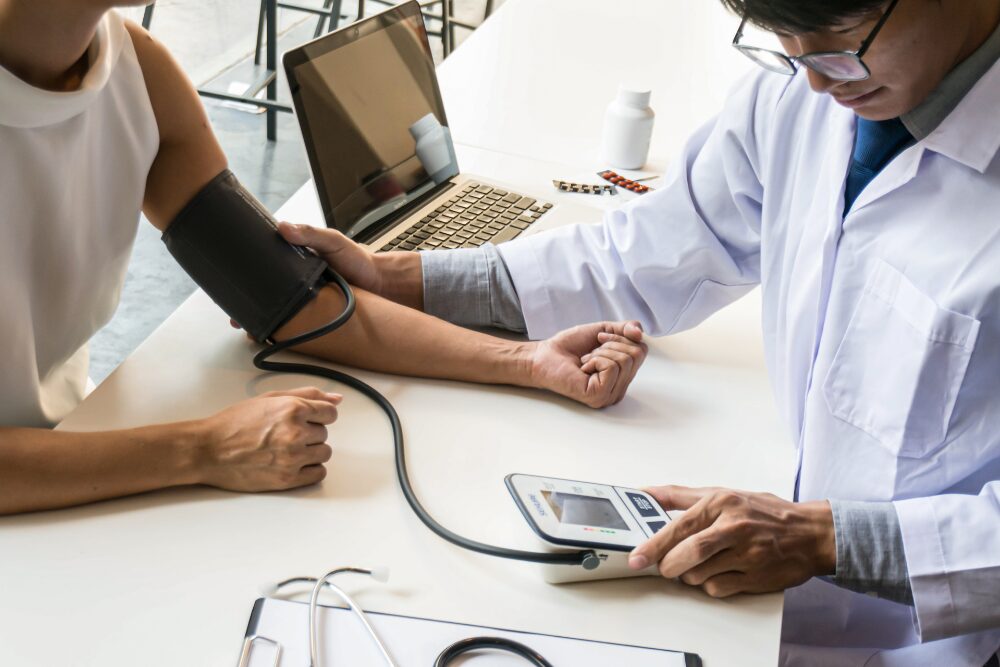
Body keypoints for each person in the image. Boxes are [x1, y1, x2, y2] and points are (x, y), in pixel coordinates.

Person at [289, 0, 1000, 664]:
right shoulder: (801, 94)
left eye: (842, 44)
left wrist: (830, 540)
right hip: (769, 611)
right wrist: (395, 278)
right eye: (784, 47)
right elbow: (642, 255)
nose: (815, 85)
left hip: (929, 641)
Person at [0, 0, 647, 516]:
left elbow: (295, 301)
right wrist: (201, 449)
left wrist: (529, 361)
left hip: (67, 449)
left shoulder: (137, 73)